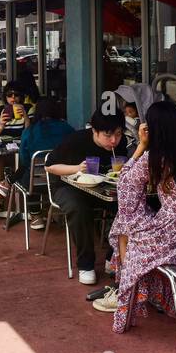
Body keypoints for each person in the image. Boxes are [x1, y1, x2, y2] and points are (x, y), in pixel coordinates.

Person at [92, 100, 176, 331]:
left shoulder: (158, 156)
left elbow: (125, 184)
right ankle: (158, 296)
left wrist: (142, 146)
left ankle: (126, 291)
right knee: (131, 223)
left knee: (125, 228)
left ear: (152, 129)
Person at [43, 110, 126, 284]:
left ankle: (113, 257)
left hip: (101, 187)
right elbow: (50, 166)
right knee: (78, 209)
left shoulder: (120, 143)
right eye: (108, 135)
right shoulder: (77, 140)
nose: (113, 141)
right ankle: (86, 264)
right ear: (94, 131)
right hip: (67, 186)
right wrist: (76, 168)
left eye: (118, 134)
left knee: (129, 205)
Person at [8, 95, 75, 225]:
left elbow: (24, 160)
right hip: (64, 181)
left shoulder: (30, 131)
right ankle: (56, 212)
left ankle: (36, 216)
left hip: (37, 183)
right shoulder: (67, 128)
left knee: (29, 171)